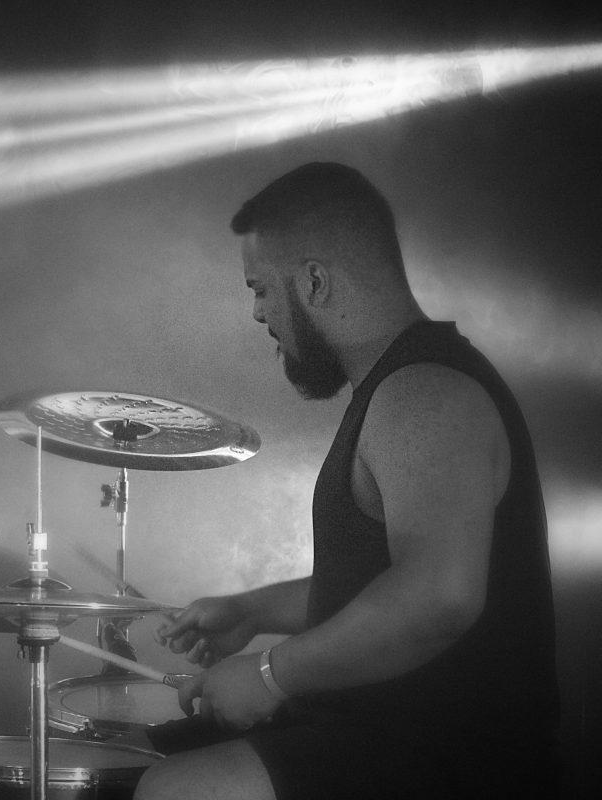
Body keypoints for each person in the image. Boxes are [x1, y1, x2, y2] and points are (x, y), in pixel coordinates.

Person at [131, 162, 559, 800]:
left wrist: (272, 674)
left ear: (314, 281)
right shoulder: (402, 386)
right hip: (387, 732)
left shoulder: (423, 394)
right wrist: (251, 611)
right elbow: (377, 586)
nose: (257, 313)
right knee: (143, 751)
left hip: (450, 757)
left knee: (173, 789)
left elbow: (438, 595)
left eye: (261, 289)